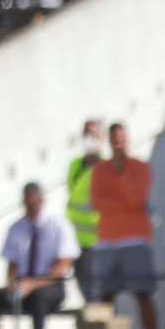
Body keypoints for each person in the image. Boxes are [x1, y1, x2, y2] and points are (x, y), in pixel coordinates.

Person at [0, 182, 79, 329]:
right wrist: (12, 283)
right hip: (23, 285)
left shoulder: (59, 226)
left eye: (34, 203)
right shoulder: (16, 228)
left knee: (40, 298)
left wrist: (34, 284)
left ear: (42, 201)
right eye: (27, 204)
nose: (31, 208)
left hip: (50, 285)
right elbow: (12, 264)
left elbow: (63, 267)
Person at [89, 123, 159, 329]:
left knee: (143, 295)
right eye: (114, 139)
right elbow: (97, 202)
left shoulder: (141, 167)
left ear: (127, 139)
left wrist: (122, 174)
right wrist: (124, 204)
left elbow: (137, 199)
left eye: (121, 139)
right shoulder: (99, 170)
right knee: (105, 297)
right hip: (107, 240)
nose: (117, 143)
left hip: (135, 239)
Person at [65, 120, 103, 302]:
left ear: (101, 138)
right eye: (86, 134)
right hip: (74, 239)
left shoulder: (106, 168)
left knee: (94, 291)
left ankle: (101, 327)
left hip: (96, 240)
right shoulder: (75, 165)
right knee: (81, 286)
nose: (89, 139)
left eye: (93, 135)